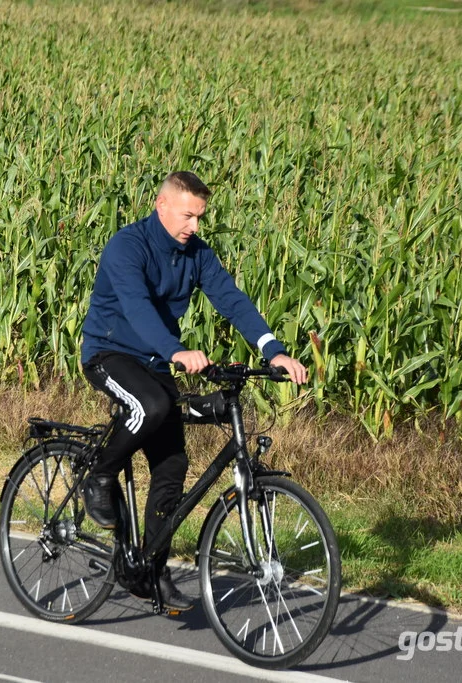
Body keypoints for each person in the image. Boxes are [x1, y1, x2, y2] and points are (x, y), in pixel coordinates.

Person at [80, 171, 308, 611]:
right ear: (161, 205)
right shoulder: (128, 247)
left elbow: (232, 299)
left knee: (173, 465)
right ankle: (100, 475)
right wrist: (177, 350)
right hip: (111, 353)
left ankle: (151, 567)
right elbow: (138, 309)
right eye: (188, 216)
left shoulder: (196, 254)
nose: (195, 227)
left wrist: (273, 351)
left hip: (155, 361)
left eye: (200, 218)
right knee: (153, 404)